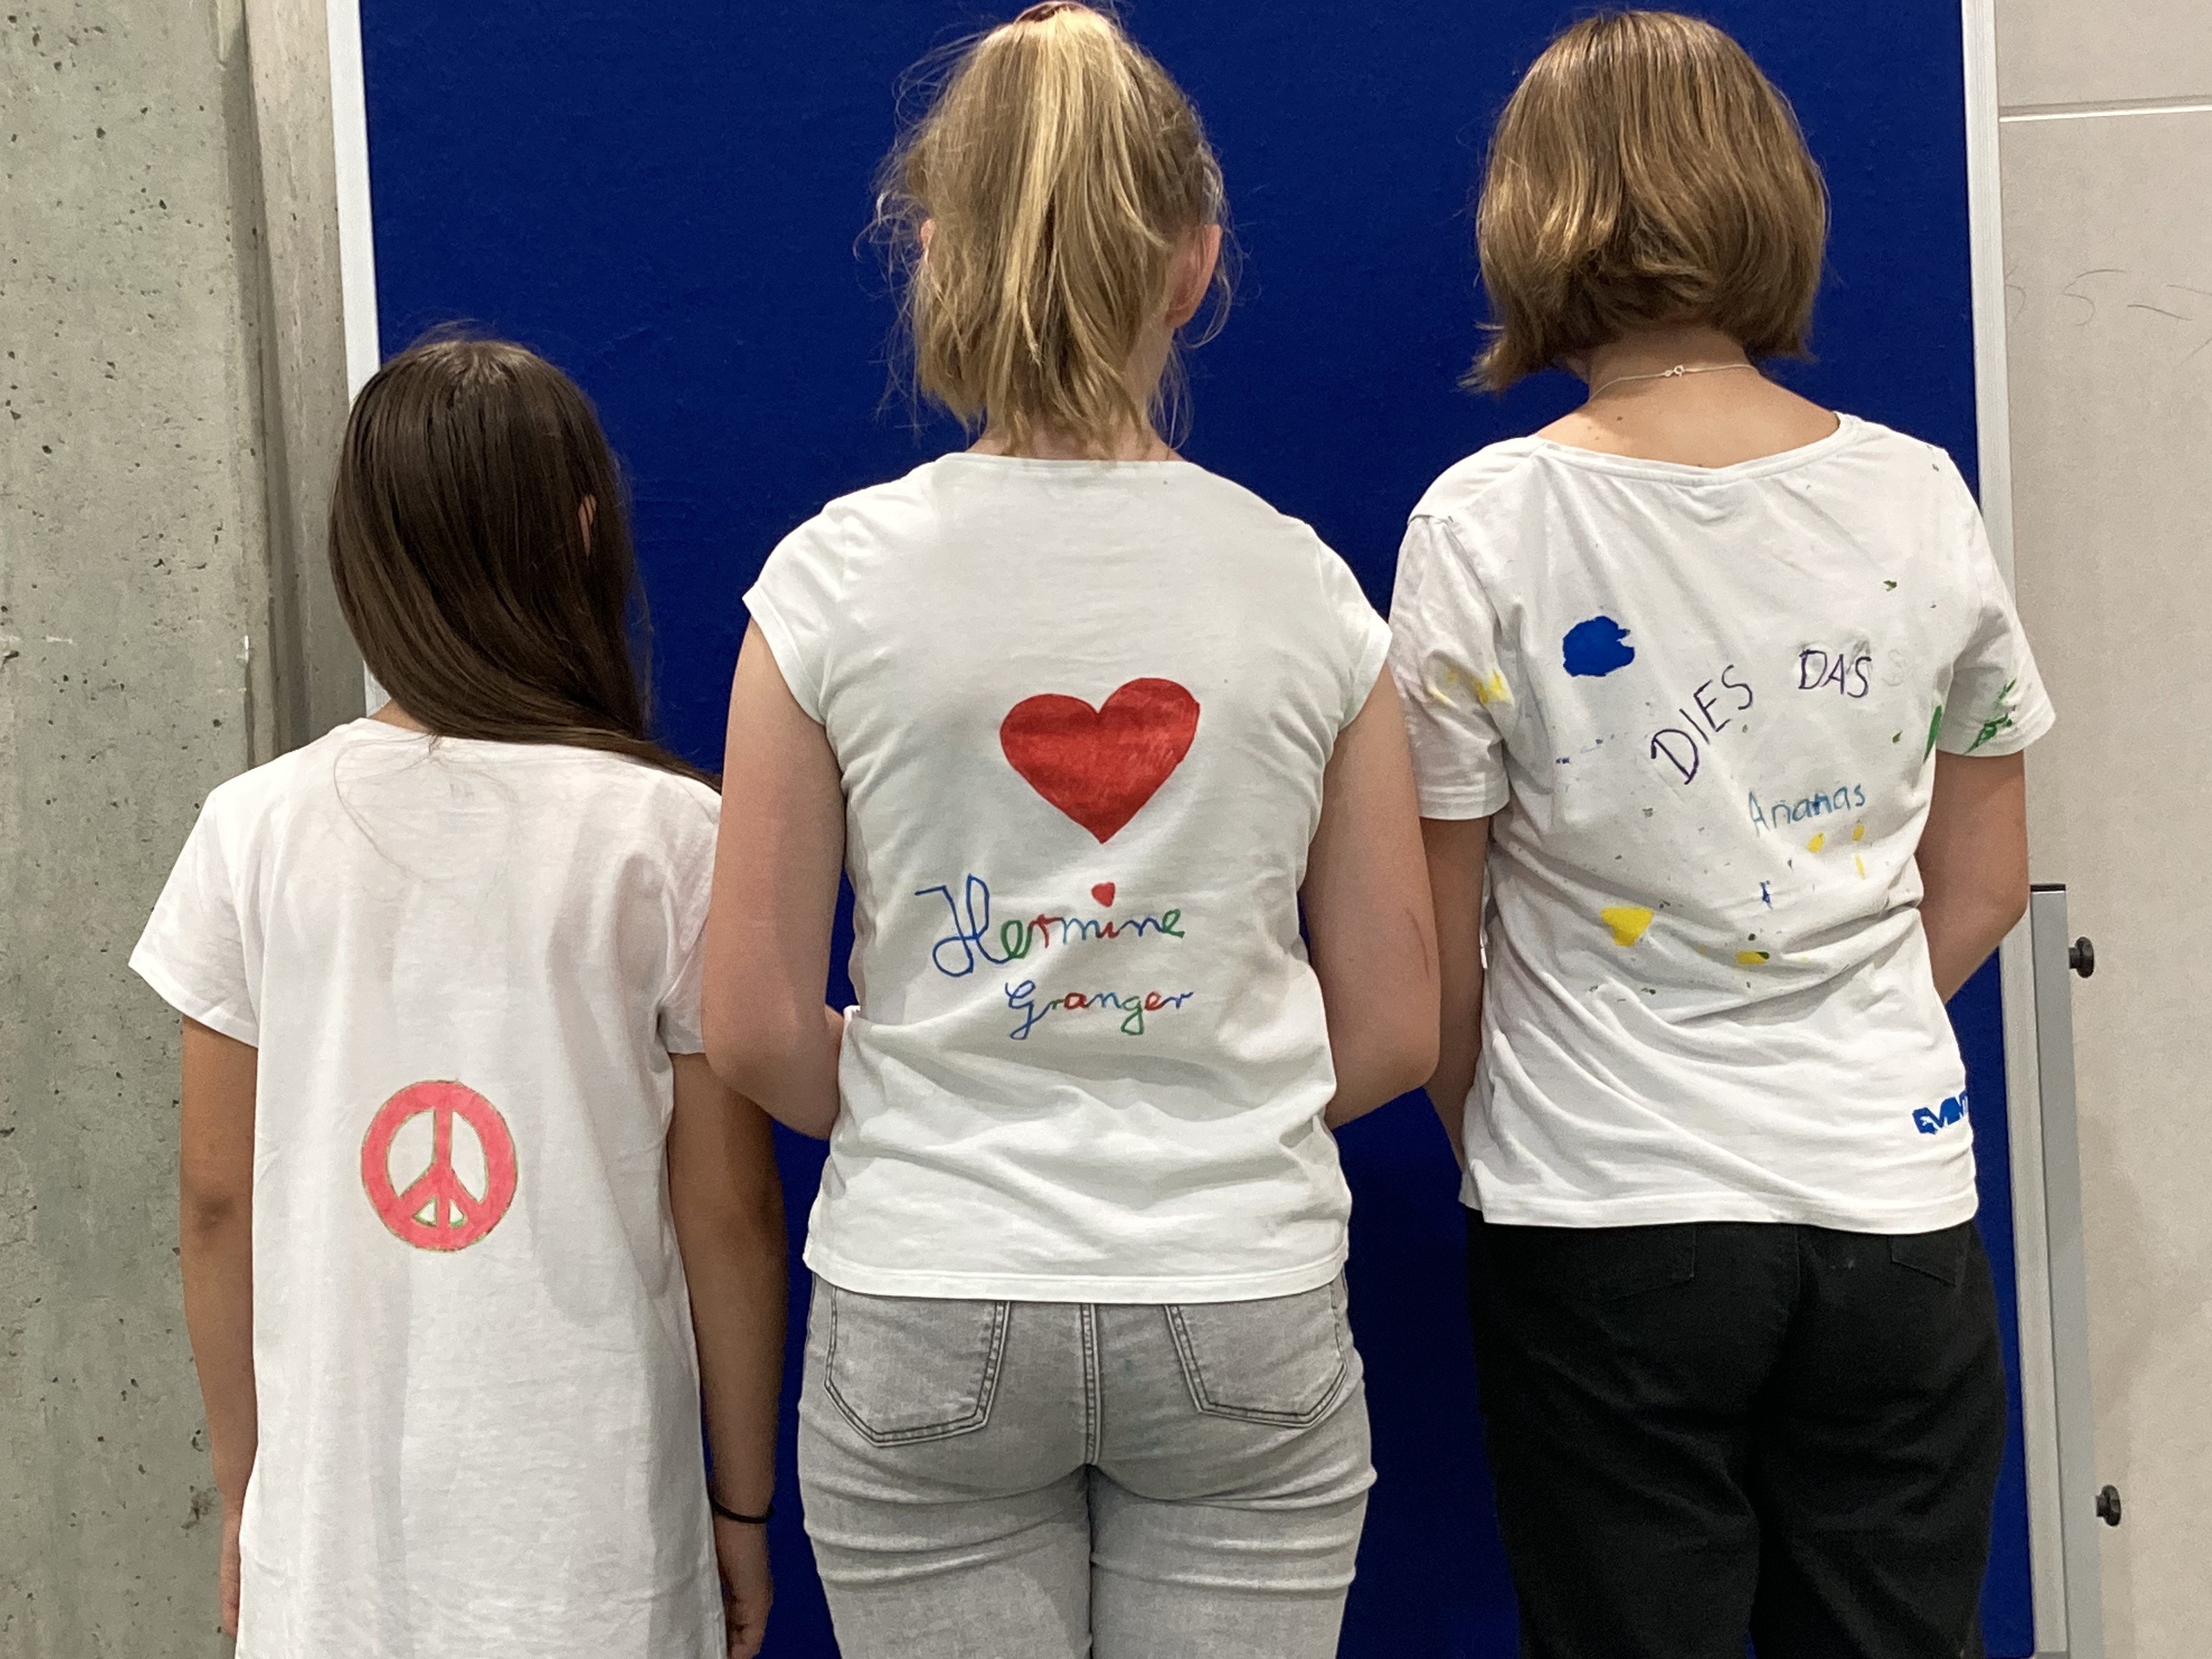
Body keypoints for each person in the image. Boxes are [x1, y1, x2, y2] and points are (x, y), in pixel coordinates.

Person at [701, 6, 1438, 1656]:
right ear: (1194, 264)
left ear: (936, 252)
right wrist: (1203, 1097)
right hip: (1237, 1278)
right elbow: (1396, 1030)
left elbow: (748, 1025)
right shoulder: (1310, 593)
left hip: (929, 1275)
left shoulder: (826, 589)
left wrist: (942, 1095)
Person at [1387, 13, 2052, 1658]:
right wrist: (1827, 1016)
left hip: (1601, 1206)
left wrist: (1504, 1129)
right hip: (1889, 1194)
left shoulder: (1485, 524)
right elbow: (1982, 885)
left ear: (1527, 219)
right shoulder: (1919, 497)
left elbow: (1431, 945)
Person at [132, 338, 786, 1659]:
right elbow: (729, 1216)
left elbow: (215, 1200)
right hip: (598, 1551)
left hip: (332, 1555)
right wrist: (741, 1506)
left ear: (362, 556)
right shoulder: (673, 836)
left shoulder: (251, 830)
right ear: (586, 533)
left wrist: (251, 1496)